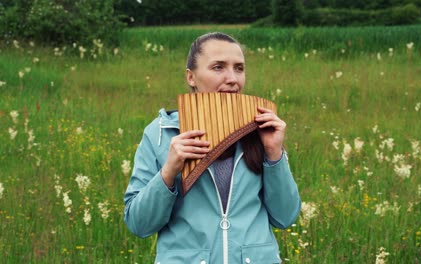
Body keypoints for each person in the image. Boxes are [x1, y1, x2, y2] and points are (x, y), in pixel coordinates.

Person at [123, 32, 301, 264]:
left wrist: (274, 155)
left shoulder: (261, 129)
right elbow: (139, 224)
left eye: (239, 68)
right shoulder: (159, 134)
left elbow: (285, 217)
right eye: (218, 67)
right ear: (191, 77)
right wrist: (168, 173)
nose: (232, 79)